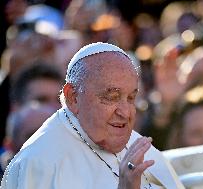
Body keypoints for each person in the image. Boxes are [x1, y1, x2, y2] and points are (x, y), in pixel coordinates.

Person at [1, 42, 184, 189]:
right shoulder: (38, 163)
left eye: (131, 98)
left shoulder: (141, 151)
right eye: (111, 97)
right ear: (73, 98)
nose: (125, 112)